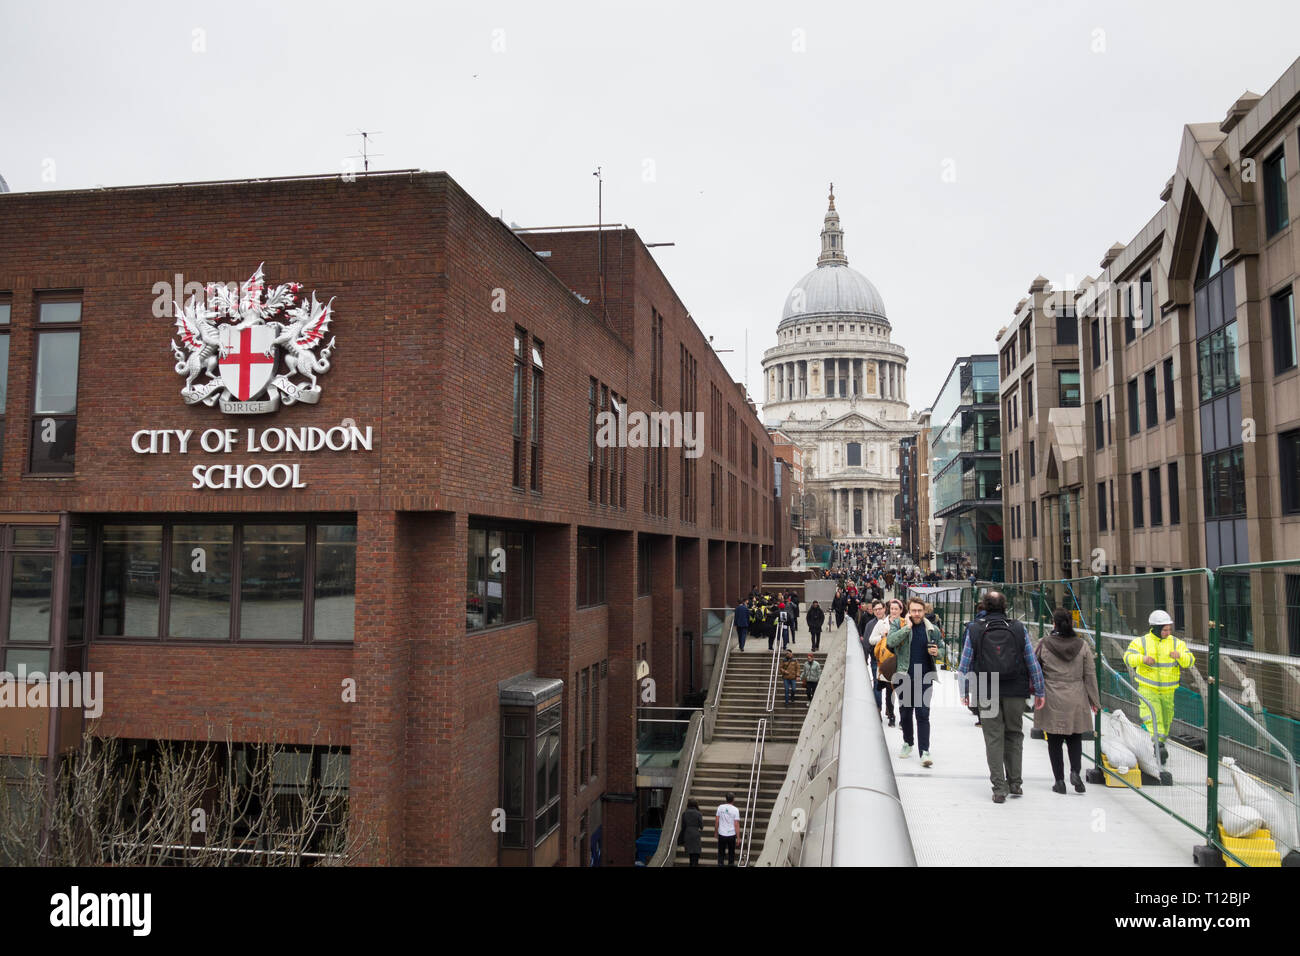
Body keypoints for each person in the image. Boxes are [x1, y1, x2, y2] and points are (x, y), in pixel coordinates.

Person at [957, 589, 1045, 803]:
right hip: (1016, 689)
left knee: (993, 738)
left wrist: (965, 692)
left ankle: (999, 788)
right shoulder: (1017, 628)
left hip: (987, 690)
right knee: (1014, 734)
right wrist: (1040, 690)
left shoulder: (975, 629)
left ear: (984, 606)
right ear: (1005, 606)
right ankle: (1016, 782)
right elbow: (1031, 662)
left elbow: (964, 664)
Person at [1035, 609, 1100, 794]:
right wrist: (1094, 700)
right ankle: (1075, 771)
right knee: (1075, 737)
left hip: (1052, 694)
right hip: (1076, 695)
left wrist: (1035, 692)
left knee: (1054, 740)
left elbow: (1034, 667)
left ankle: (1059, 781)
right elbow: (1090, 674)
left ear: (1053, 624)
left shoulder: (1044, 644)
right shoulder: (1082, 645)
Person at [1123, 610, 1194, 763]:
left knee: (1166, 718)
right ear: (1155, 628)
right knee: (1153, 715)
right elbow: (1128, 658)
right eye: (1165, 629)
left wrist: (1180, 656)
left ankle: (1160, 744)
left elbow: (1190, 661)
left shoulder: (1176, 643)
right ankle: (1158, 744)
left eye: (1169, 629)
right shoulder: (1141, 642)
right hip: (1148, 688)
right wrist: (1143, 659)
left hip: (1168, 690)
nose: (1168, 632)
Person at [886, 597, 943, 766]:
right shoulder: (899, 624)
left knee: (923, 713)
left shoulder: (931, 629)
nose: (916, 614)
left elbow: (942, 647)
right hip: (904, 674)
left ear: (924, 611)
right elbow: (890, 642)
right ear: (909, 611)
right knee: (905, 712)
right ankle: (908, 742)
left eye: (919, 611)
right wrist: (907, 628)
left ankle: (924, 751)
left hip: (925, 676)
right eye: (913, 611)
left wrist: (937, 652)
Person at [867, 599, 897, 726]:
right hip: (878, 660)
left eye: (880, 608)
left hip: (892, 660)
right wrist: (882, 637)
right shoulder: (874, 624)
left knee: (891, 688)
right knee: (878, 686)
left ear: (885, 608)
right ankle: (878, 709)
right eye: (875, 609)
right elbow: (869, 641)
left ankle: (890, 713)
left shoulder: (896, 622)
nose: (878, 611)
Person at [715, 793, 740, 866]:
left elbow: (717, 821)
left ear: (726, 799)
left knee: (721, 852)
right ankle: (730, 864)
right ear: (733, 799)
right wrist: (738, 838)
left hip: (722, 833)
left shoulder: (720, 807)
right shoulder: (735, 810)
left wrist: (716, 832)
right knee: (731, 853)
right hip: (731, 834)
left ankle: (720, 864)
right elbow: (736, 824)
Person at [680, 799, 704, 866]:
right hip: (696, 834)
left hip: (687, 834)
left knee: (690, 853)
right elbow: (701, 826)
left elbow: (683, 826)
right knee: (696, 852)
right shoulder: (699, 813)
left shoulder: (684, 813)